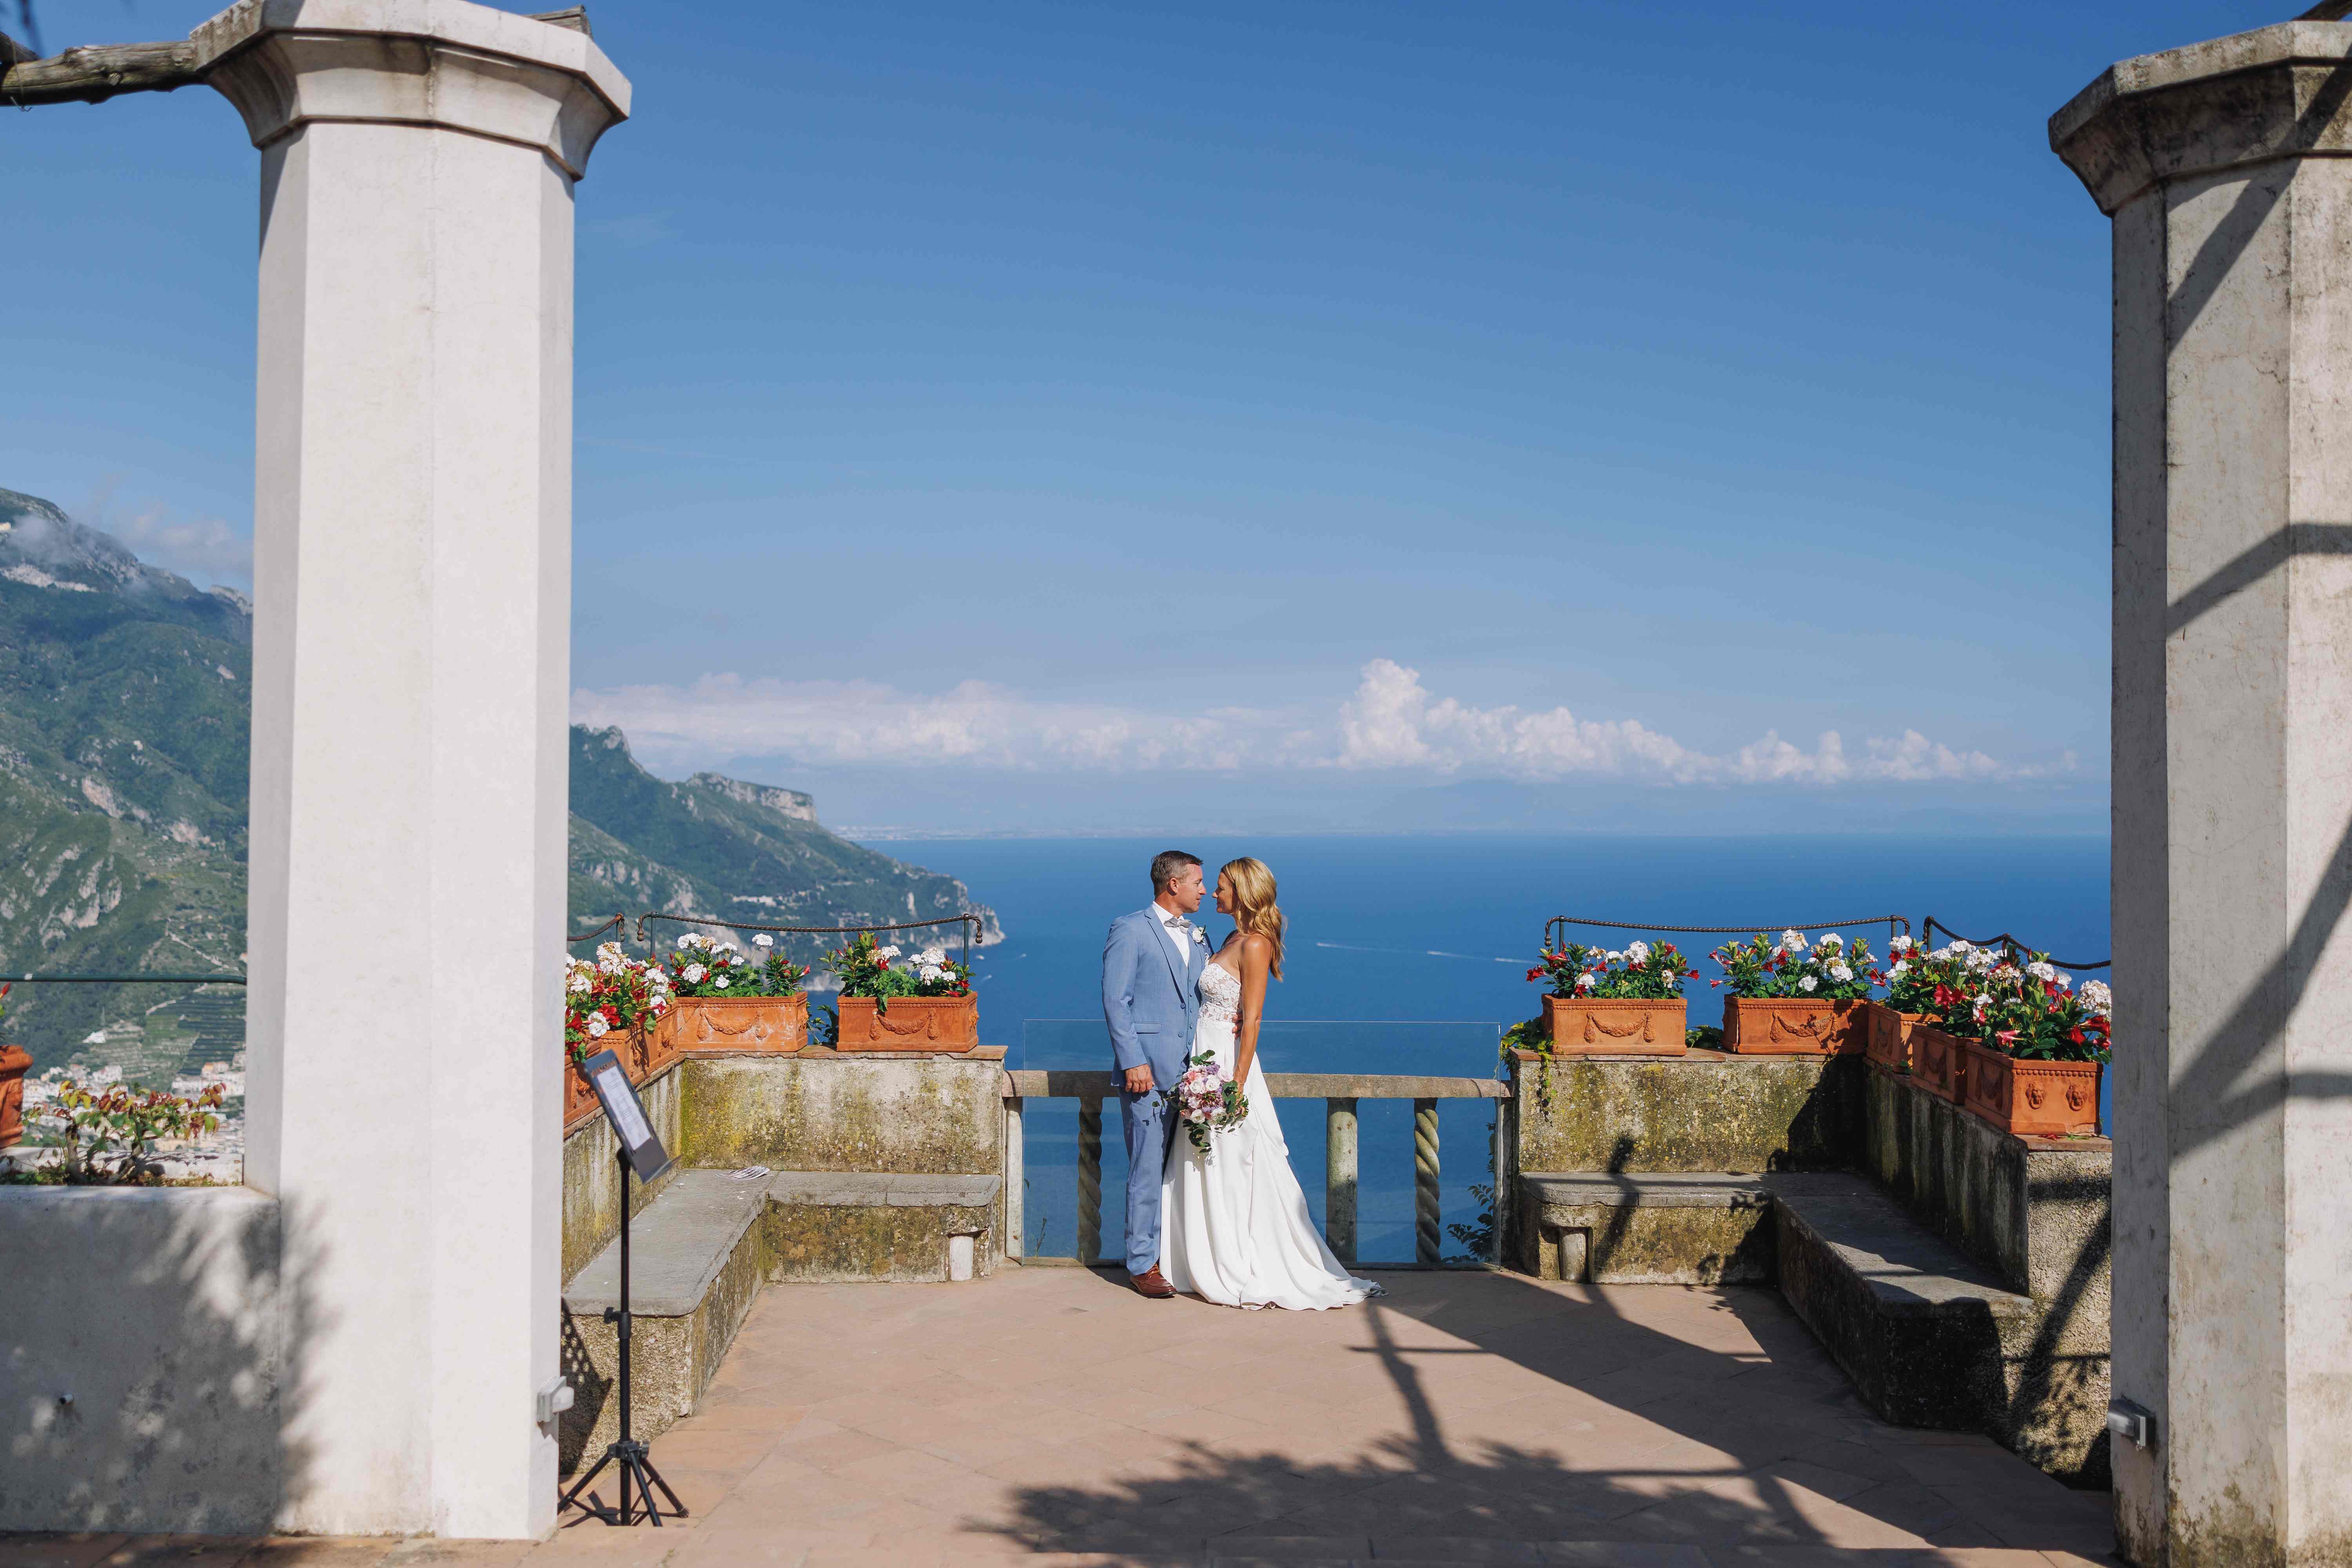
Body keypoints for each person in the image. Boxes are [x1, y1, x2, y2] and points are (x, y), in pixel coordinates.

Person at [1160, 857, 1381, 1310]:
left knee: (1234, 1157)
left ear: (1241, 891)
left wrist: (1236, 1083)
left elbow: (1255, 1016)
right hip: (1206, 1053)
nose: (1213, 894)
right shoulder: (1230, 937)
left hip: (1226, 1061)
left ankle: (1241, 1257)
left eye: (1220, 887)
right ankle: (1197, 1257)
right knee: (1203, 1156)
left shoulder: (1256, 943)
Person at [1100, 849, 1210, 1299]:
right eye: (1198, 882)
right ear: (1173, 885)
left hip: (1197, 1075)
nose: (1205, 889)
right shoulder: (1130, 929)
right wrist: (1134, 1061)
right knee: (1146, 1169)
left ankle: (1182, 1255)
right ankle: (1143, 1263)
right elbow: (1115, 1002)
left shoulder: (1199, 936)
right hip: (1147, 1073)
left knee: (1189, 1170)